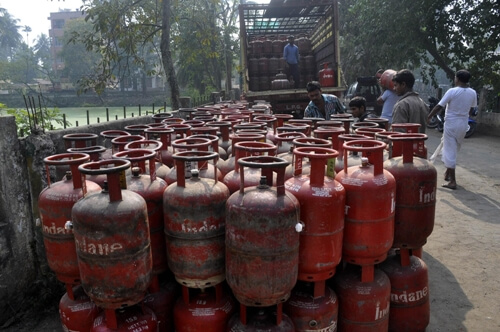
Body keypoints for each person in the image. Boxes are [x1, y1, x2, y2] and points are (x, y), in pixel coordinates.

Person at [427, 69, 477, 190]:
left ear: (457, 79)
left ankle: (453, 181)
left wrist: (429, 116)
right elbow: (472, 109)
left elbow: (439, 106)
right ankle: (448, 173)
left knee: (450, 150)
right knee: (453, 147)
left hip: (451, 123)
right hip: (464, 123)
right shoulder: (473, 92)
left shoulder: (452, 91)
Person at [391, 69, 428, 133]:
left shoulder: (401, 105)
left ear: (403, 84)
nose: (394, 89)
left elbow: (397, 133)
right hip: (419, 142)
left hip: (404, 142)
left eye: (395, 85)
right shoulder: (422, 103)